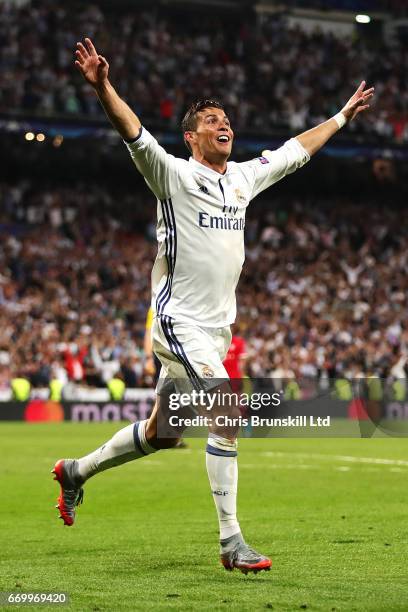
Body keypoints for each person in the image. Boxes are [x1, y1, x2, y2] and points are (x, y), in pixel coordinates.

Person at [52, 37, 374, 574]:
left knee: (163, 433)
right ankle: (232, 543)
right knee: (226, 410)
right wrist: (103, 85)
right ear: (190, 136)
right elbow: (131, 131)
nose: (224, 124)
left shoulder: (244, 178)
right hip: (180, 323)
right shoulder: (173, 175)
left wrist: (341, 115)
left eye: (227, 119)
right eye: (211, 120)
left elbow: (298, 149)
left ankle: (74, 472)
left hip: (216, 330)